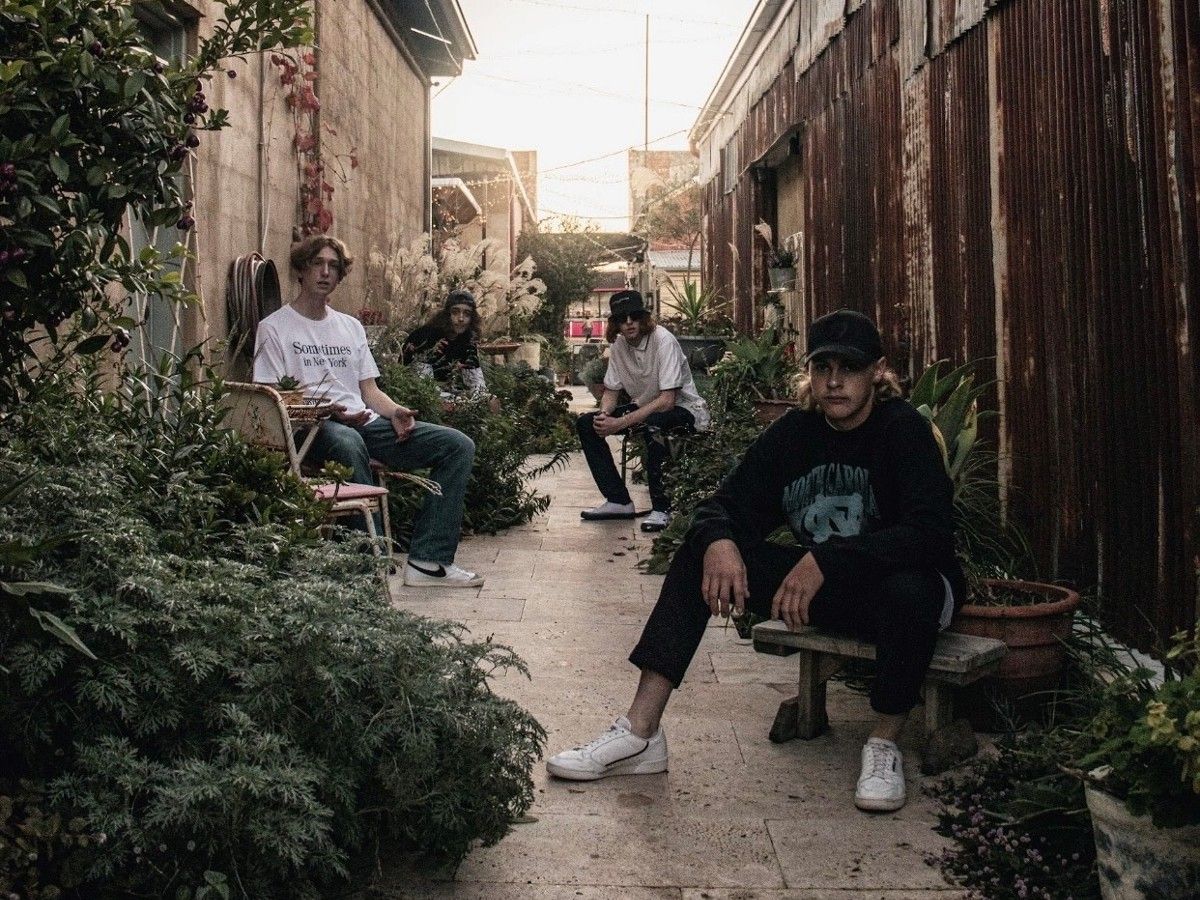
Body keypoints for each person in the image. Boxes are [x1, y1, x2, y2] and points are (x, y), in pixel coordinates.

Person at [547, 308, 965, 813]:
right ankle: (641, 733)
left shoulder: (903, 431)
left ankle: (883, 741)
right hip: (824, 592)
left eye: (849, 369)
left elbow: (929, 534)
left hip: (904, 594)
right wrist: (721, 539)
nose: (833, 382)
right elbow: (723, 504)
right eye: (822, 367)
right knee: (700, 552)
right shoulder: (796, 433)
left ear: (878, 372)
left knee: (911, 589)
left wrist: (826, 560)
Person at [253, 235, 484, 589]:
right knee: (346, 440)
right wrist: (328, 411)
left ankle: (427, 562)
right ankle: (368, 561)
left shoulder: (350, 326)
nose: (326, 272)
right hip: (313, 429)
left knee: (457, 445)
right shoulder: (274, 328)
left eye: (334, 266)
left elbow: (368, 390)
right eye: (317, 264)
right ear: (301, 270)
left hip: (366, 423)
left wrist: (395, 412)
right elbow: (273, 397)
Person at [576, 289, 710, 533]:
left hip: (685, 410)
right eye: (622, 318)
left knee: (655, 424)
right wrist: (605, 415)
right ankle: (618, 501)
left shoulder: (663, 340)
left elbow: (667, 400)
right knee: (587, 423)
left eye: (634, 316)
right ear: (615, 323)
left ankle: (662, 509)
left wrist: (620, 424)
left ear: (643, 318)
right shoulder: (618, 347)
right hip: (647, 407)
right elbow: (611, 392)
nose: (628, 323)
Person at [402, 289, 488, 396]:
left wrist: (485, 399)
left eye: (467, 314)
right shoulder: (426, 336)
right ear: (447, 314)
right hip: (414, 394)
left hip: (446, 392)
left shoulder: (467, 340)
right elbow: (422, 384)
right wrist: (456, 400)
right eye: (455, 312)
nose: (461, 318)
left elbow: (475, 383)